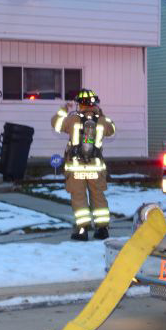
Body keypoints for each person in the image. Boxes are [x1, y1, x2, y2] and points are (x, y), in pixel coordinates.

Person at [51, 89, 115, 241]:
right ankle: (102, 229)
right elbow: (112, 131)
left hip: (75, 168)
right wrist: (101, 114)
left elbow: (56, 124)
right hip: (96, 168)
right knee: (98, 197)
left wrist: (64, 109)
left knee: (79, 198)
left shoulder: (72, 119)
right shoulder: (102, 121)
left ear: (80, 104)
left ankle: (82, 230)